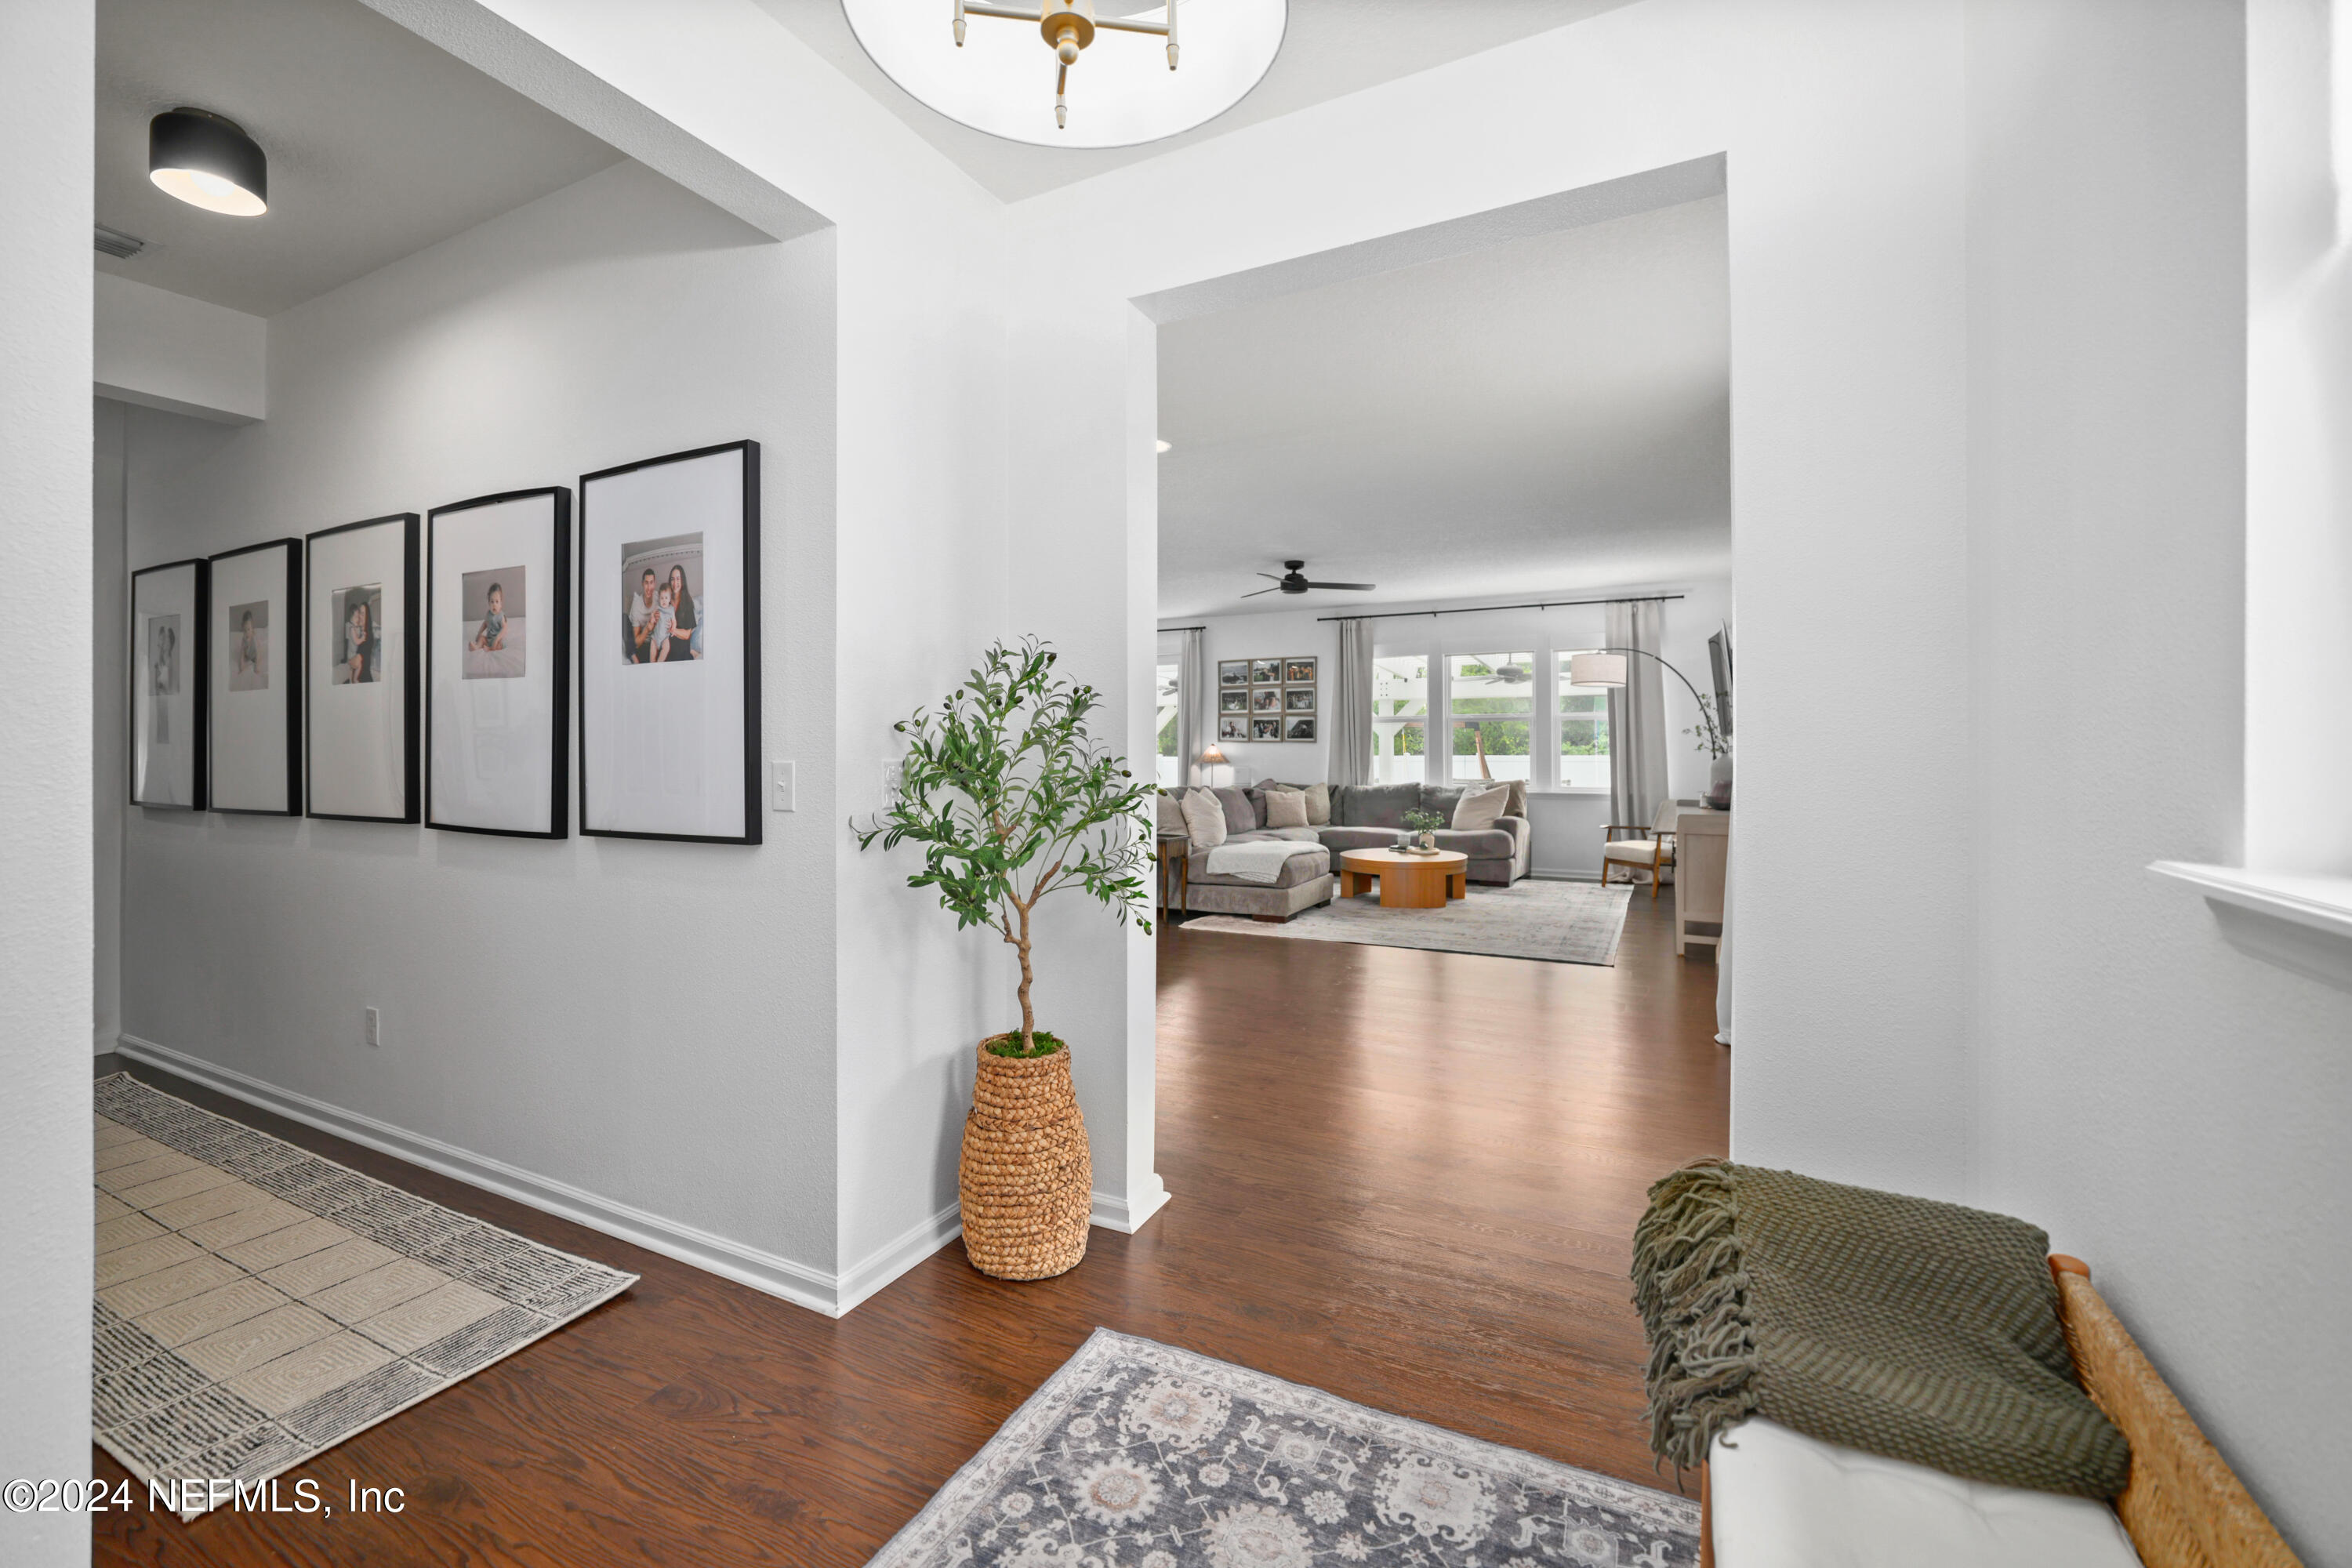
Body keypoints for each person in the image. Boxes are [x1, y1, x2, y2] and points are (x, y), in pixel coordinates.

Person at [665, 564, 697, 663]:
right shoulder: (666, 600)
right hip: (666, 648)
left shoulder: (688, 601)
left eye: (678, 579)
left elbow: (687, 634)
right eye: (673, 579)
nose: (675, 583)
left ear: (682, 581)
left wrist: (673, 630)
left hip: (681, 652)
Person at [626, 568, 658, 662]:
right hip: (642, 644)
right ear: (642, 584)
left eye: (651, 583)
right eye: (646, 583)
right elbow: (636, 644)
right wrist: (648, 628)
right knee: (624, 618)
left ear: (655, 584)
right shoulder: (636, 606)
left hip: (655, 643)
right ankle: (633, 656)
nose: (649, 588)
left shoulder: (659, 598)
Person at [344, 598, 377, 684]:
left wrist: (349, 661)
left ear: (367, 617)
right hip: (354, 678)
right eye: (359, 613)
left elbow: (354, 663)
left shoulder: (368, 637)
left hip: (363, 680)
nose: (359, 616)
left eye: (362, 614)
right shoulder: (356, 631)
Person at [470, 583, 507, 652]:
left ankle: (491, 649)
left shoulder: (501, 616)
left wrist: (497, 639)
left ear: (501, 604)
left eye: (497, 602)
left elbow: (504, 628)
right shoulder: (488, 614)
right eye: (492, 602)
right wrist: (479, 633)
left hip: (497, 640)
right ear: (489, 603)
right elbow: (485, 624)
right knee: (481, 639)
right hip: (489, 639)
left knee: (500, 645)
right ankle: (476, 647)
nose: (494, 605)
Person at [648, 582, 677, 662]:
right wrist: (652, 618)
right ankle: (652, 663)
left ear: (670, 599)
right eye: (662, 598)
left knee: (667, 647)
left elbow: (674, 621)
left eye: (666, 598)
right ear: (659, 599)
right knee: (652, 651)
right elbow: (652, 614)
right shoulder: (658, 607)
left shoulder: (671, 610)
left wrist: (673, 628)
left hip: (665, 637)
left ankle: (659, 663)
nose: (664, 601)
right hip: (655, 637)